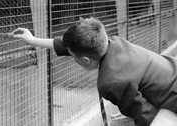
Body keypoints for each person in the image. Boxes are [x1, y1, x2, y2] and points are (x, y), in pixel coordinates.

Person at [11, 17, 177, 126]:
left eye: (72, 56)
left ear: (85, 61)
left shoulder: (111, 82)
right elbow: (68, 45)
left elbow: (145, 116)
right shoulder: (112, 42)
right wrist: (32, 40)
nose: (71, 56)